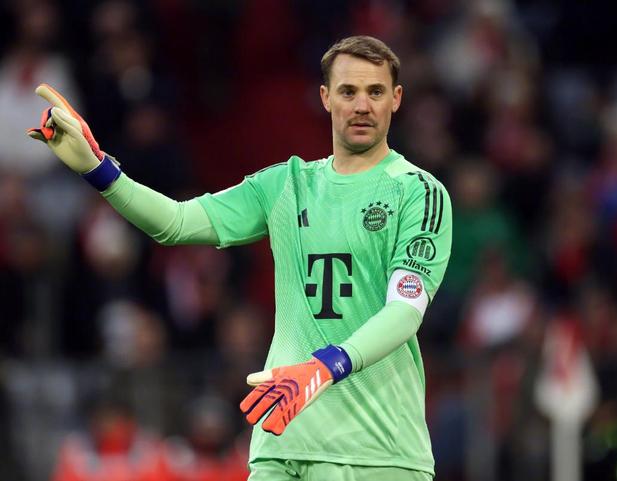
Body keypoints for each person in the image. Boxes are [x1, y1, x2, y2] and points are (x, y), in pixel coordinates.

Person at [29, 35, 452, 481]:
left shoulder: (418, 192)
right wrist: (98, 169)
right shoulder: (286, 185)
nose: (362, 105)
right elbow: (175, 222)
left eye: (375, 92)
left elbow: (404, 312)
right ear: (325, 97)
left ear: (396, 98)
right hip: (282, 440)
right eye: (348, 91)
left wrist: (326, 366)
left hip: (378, 451)